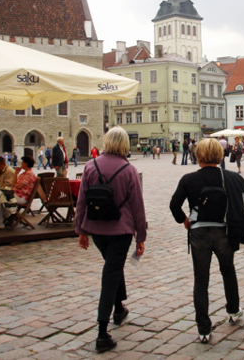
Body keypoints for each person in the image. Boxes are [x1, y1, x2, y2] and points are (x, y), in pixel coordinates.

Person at [76, 127, 147, 353]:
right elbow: (138, 206)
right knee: (111, 273)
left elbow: (81, 201)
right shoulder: (129, 170)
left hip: (96, 229)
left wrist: (81, 229)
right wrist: (141, 236)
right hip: (121, 230)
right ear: (125, 144)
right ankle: (102, 331)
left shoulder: (90, 165)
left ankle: (119, 308)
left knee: (113, 266)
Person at [169, 138, 244, 344]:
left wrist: (184, 220)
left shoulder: (188, 179)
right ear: (219, 155)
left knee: (201, 279)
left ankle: (203, 327)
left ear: (198, 156)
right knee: (228, 270)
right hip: (223, 232)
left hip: (199, 233)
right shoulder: (229, 177)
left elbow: (174, 204)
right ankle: (233, 309)